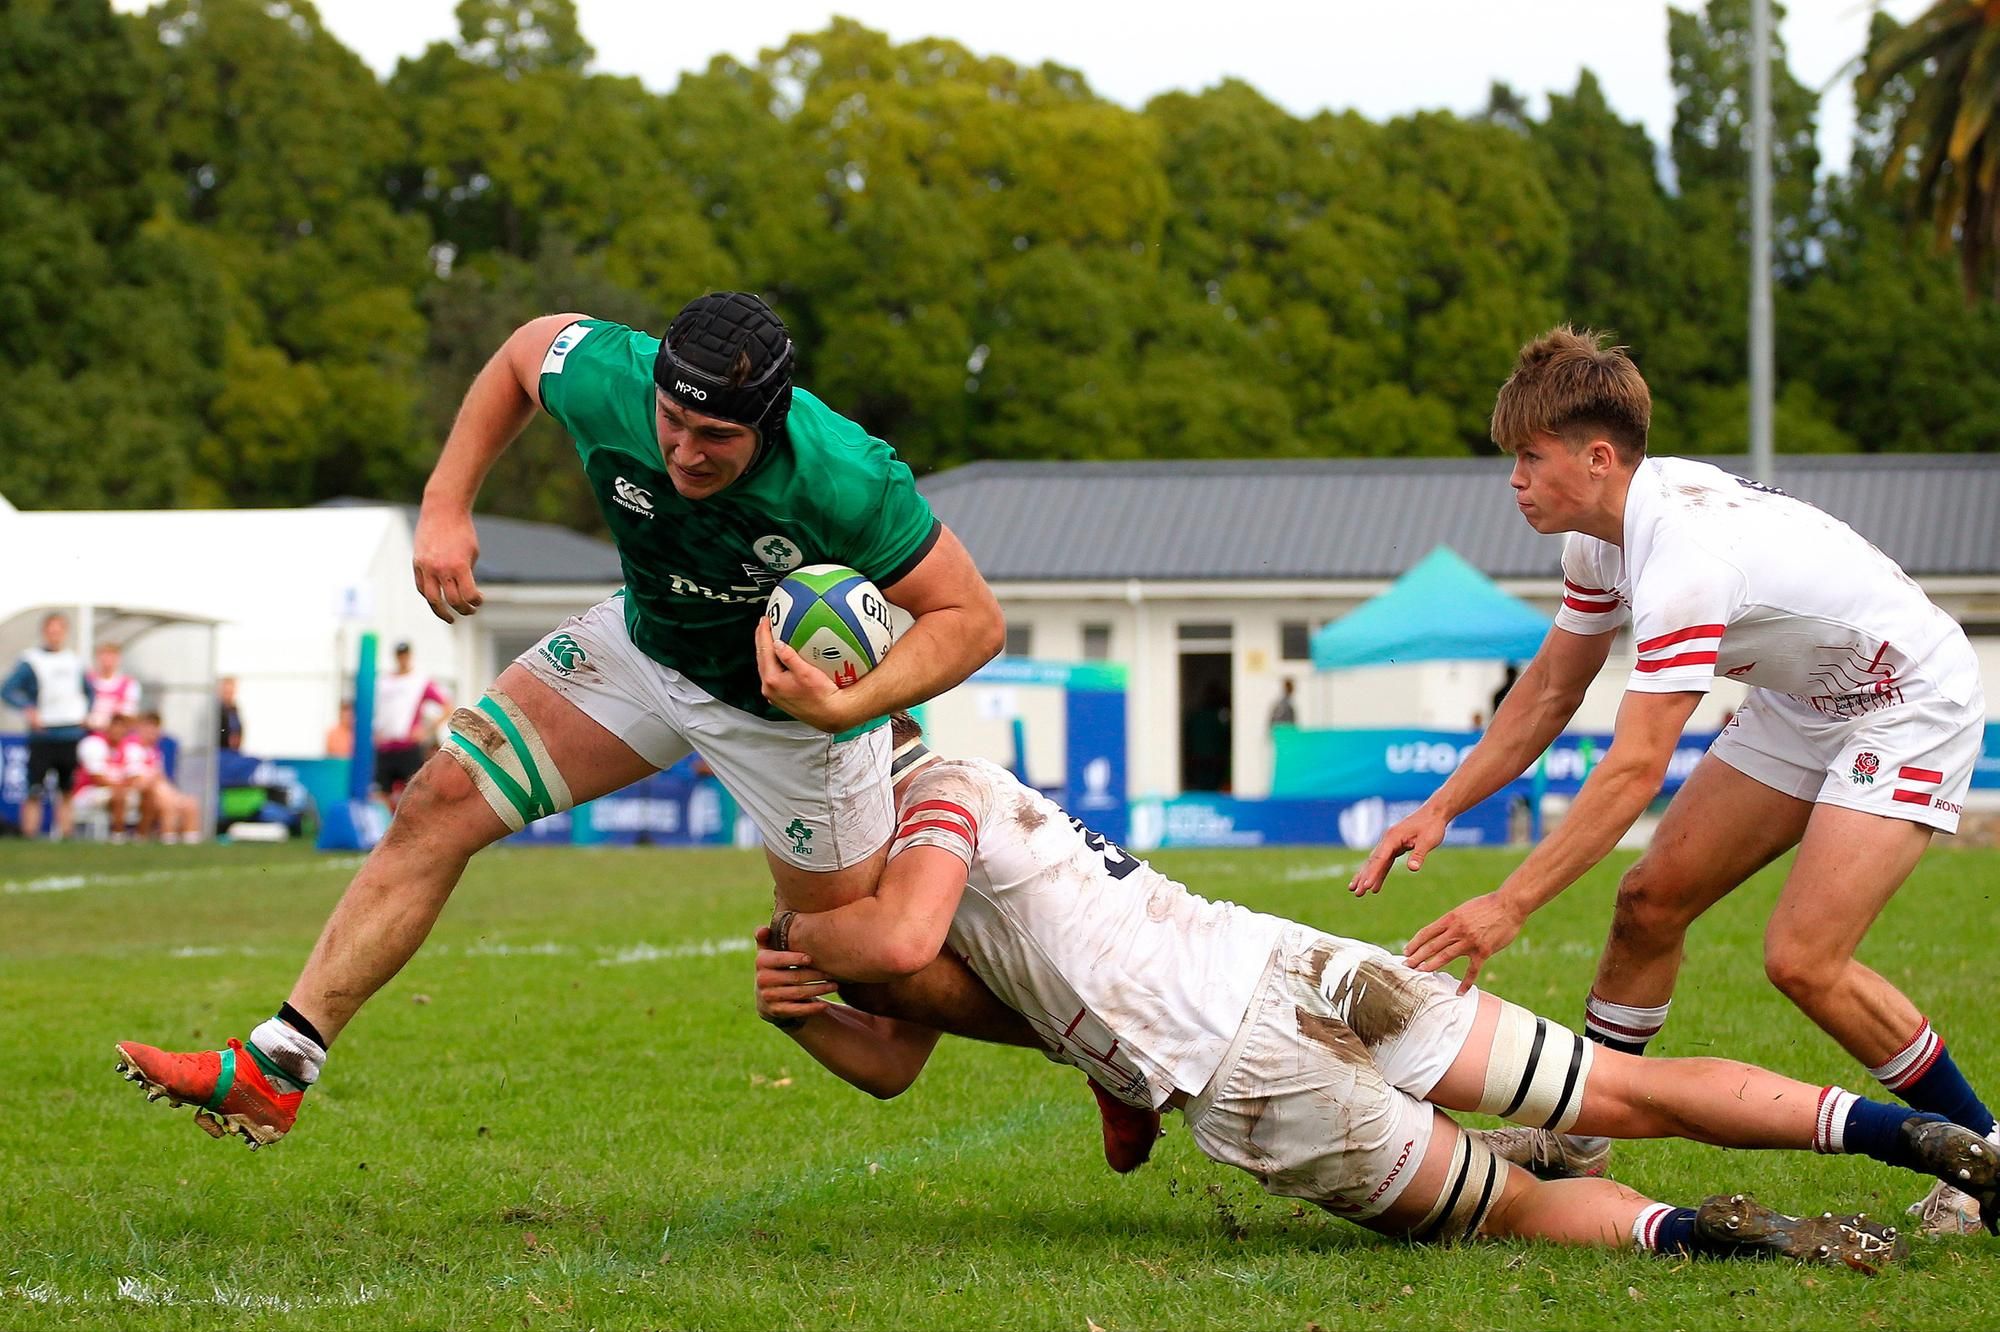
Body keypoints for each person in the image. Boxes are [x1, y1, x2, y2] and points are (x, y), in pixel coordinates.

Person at [112, 291, 1143, 1164]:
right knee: (440, 798)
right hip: (644, 648)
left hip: (791, 726)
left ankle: (1113, 1055)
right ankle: (277, 1064)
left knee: (869, 981)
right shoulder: (610, 375)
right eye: (671, 425)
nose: (685, 453)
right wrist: (443, 503)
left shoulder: (843, 476)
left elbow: (974, 619)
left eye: (716, 439)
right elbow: (523, 354)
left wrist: (844, 704)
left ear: (772, 422)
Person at [753, 714, 1997, 1270]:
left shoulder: (929, 811)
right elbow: (898, 1051)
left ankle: (1697, 1238)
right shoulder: (977, 788)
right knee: (1619, 1089)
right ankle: (1918, 1138)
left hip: (1242, 1067)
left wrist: (800, 921)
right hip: (1296, 960)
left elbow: (900, 939)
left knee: (1502, 1212)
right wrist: (804, 1012)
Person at [1348, 327, 1995, 1236]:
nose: (1514, 479)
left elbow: (1635, 769)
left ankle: (1983, 1153)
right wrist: (1441, 809)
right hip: (1803, 698)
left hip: (1906, 697)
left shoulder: (1684, 559)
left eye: (1530, 458)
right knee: (1650, 902)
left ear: (1599, 457)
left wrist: (1512, 901)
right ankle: (1578, 1141)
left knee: (1803, 959)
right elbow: (1548, 690)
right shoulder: (1600, 537)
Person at [3, 612, 93, 840]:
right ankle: (29, 833)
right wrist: (28, 709)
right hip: (43, 733)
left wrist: (85, 713)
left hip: (70, 731)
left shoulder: (74, 661)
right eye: (51, 631)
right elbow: (8, 689)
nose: (55, 635)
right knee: (35, 787)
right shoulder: (31, 660)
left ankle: (66, 834)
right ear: (45, 632)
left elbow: (88, 692)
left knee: (67, 788)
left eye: (59, 631)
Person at [373, 643, 449, 810]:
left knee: (413, 792)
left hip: (408, 746)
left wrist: (426, 730)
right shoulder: (383, 681)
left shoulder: (419, 681)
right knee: (382, 792)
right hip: (385, 745)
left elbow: (446, 706)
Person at [129, 712, 200, 843]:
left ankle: (192, 844)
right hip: (142, 793)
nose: (153, 733)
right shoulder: (131, 749)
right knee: (166, 801)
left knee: (191, 803)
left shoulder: (154, 752)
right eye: (149, 729)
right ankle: (168, 840)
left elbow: (161, 778)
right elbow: (133, 780)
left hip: (159, 790)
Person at [72, 713, 140, 840]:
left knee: (148, 794)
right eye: (115, 726)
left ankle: (143, 836)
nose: (118, 731)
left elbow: (134, 776)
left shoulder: (131, 748)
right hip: (89, 790)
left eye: (122, 727)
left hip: (118, 789)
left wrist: (121, 787)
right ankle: (118, 835)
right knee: (119, 795)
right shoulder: (93, 744)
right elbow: (96, 778)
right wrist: (119, 787)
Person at [86, 641, 139, 732]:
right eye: (104, 655)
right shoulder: (88, 680)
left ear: (118, 659)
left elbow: (129, 714)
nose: (107, 660)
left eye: (111, 656)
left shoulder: (128, 684)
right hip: (92, 732)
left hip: (117, 734)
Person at [217, 676, 243, 752]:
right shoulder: (215, 711)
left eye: (231, 692)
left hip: (234, 751)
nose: (229, 695)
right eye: (226, 692)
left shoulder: (234, 708)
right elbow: (218, 731)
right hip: (221, 752)